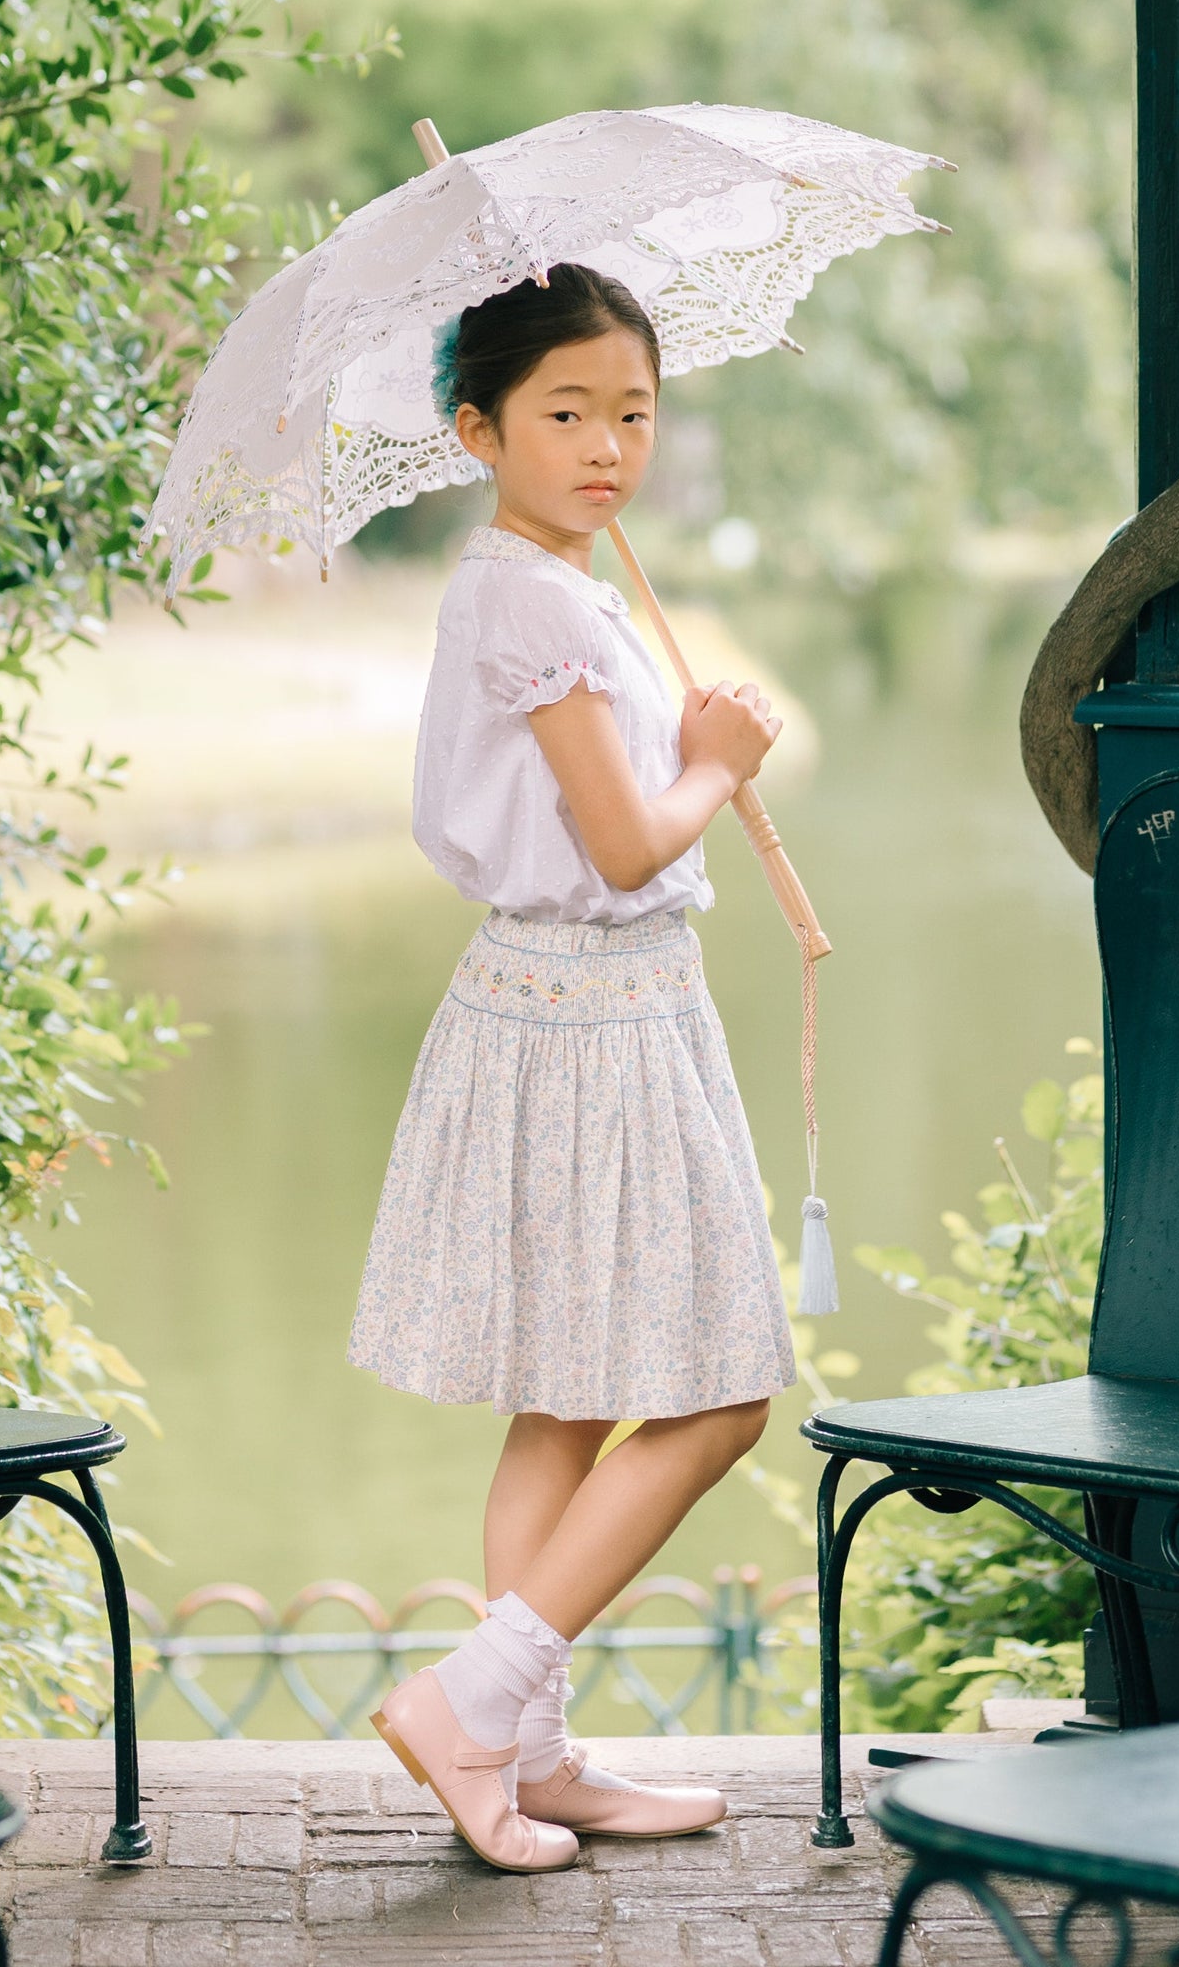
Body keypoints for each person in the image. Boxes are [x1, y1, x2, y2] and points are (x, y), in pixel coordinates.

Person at [346, 262, 797, 1876]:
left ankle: (519, 1754)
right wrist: (708, 765)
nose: (608, 444)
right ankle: (475, 1702)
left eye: (632, 412)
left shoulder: (547, 582)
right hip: (591, 1007)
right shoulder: (531, 595)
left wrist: (674, 741)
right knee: (718, 1390)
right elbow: (618, 846)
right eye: (563, 413)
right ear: (478, 429)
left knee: (563, 1398)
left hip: (569, 1004)